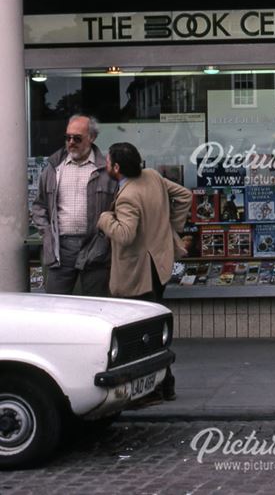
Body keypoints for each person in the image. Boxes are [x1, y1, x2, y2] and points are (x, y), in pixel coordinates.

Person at [98, 142, 192, 400]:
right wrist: (170, 227)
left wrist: (105, 219)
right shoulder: (153, 176)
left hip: (138, 271)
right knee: (151, 327)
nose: (105, 164)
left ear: (116, 167)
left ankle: (161, 384)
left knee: (143, 333)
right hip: (158, 264)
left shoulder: (128, 195)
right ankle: (162, 385)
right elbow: (185, 195)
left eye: (107, 161)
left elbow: (125, 235)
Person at [31, 115, 117, 296]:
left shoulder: (106, 170)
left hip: (96, 246)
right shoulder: (54, 168)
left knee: (97, 306)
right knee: (56, 305)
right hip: (61, 248)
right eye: (67, 137)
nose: (71, 142)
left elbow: (118, 207)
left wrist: (106, 238)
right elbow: (39, 205)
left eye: (77, 138)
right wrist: (46, 232)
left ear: (92, 138)